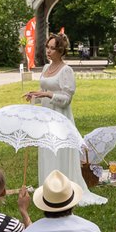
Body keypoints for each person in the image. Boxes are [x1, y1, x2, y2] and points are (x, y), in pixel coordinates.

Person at [24, 31, 104, 206]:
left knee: (59, 152)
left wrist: (48, 94)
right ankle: (48, 187)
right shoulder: (45, 68)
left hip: (60, 118)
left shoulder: (66, 70)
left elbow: (66, 99)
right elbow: (43, 91)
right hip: (46, 117)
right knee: (47, 151)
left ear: (61, 51)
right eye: (48, 47)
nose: (49, 51)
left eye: (53, 48)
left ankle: (64, 187)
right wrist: (34, 96)